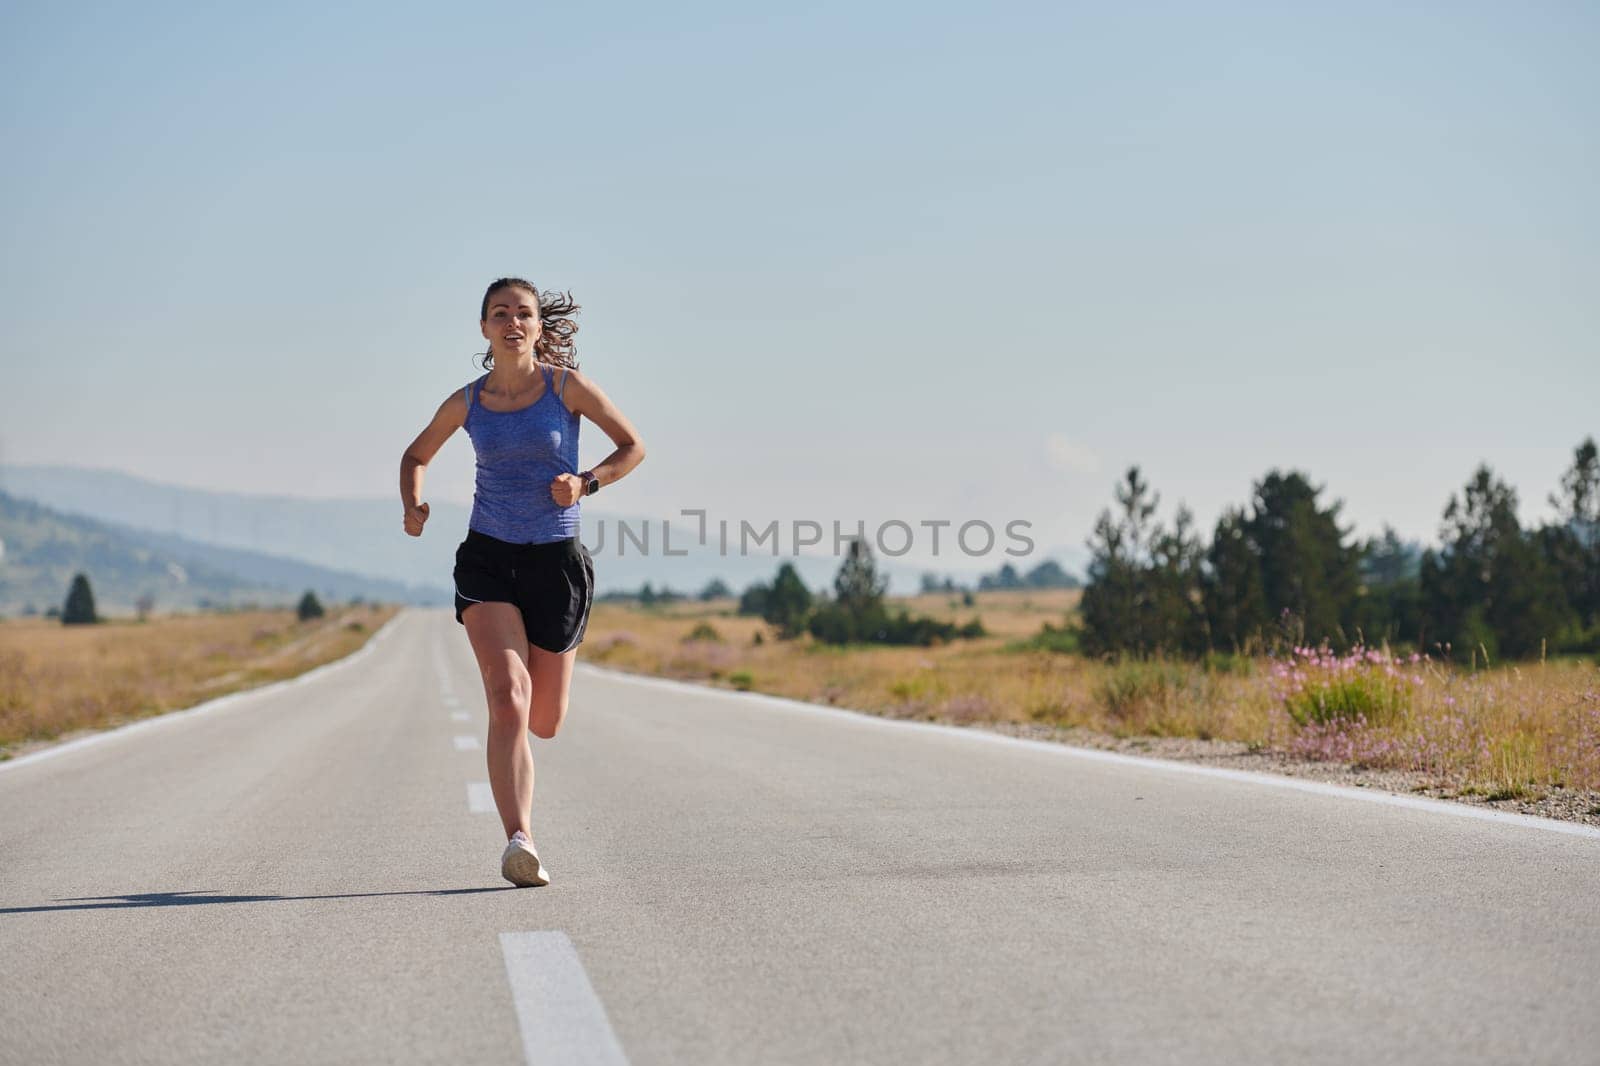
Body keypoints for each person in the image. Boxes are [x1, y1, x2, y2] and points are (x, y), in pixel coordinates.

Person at [399, 278, 645, 886]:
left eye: (524, 314)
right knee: (507, 697)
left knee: (545, 720)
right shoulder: (469, 401)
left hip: (555, 563)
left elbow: (633, 446)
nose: (513, 322)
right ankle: (520, 841)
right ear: (484, 328)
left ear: (538, 327)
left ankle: (520, 824)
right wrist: (414, 504)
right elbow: (417, 455)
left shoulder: (566, 388)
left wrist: (586, 482)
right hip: (488, 558)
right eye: (500, 313)